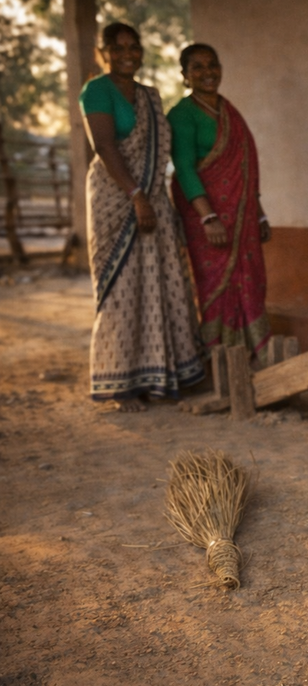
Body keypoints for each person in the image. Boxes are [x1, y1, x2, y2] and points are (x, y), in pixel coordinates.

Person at [79, 23, 204, 412]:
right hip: (117, 197)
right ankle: (123, 384)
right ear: (103, 53)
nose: (127, 54)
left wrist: (151, 199)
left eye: (134, 47)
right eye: (118, 48)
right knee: (120, 287)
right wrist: (136, 195)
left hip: (151, 196)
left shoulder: (150, 96)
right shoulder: (96, 90)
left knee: (161, 282)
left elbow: (162, 150)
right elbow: (104, 145)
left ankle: (159, 375)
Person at [167, 43, 271, 358]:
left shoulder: (229, 111)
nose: (207, 72)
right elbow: (184, 169)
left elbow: (244, 170)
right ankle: (219, 360)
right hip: (206, 215)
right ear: (185, 76)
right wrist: (208, 217)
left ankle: (256, 356)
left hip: (241, 215)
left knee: (249, 281)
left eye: (212, 65)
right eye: (197, 67)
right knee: (214, 285)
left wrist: (260, 213)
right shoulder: (181, 115)